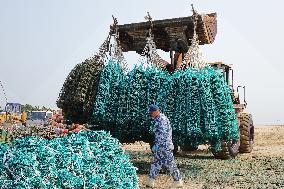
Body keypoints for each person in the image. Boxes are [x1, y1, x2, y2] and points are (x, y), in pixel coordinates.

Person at [146, 104, 183, 188]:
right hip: (162, 146)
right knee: (156, 163)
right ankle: (151, 181)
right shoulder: (158, 119)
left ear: (156, 111)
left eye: (151, 113)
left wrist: (157, 145)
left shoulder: (161, 120)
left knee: (170, 163)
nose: (150, 114)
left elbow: (162, 135)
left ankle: (178, 180)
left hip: (164, 146)